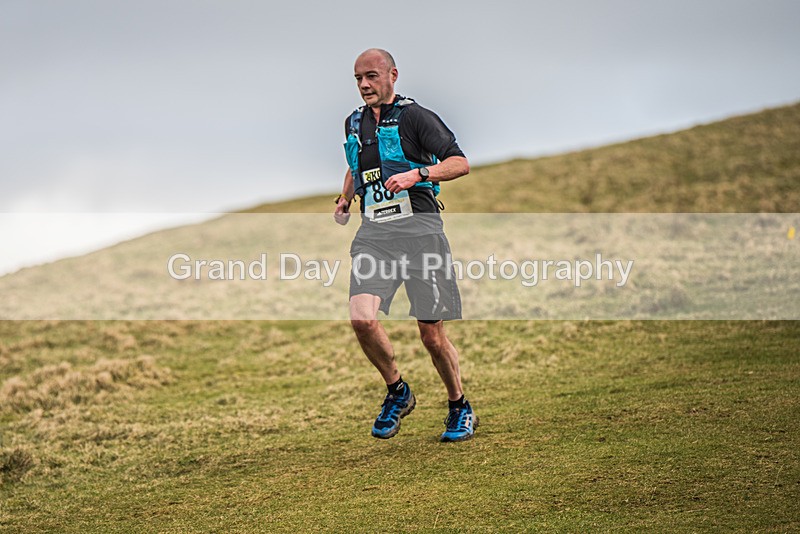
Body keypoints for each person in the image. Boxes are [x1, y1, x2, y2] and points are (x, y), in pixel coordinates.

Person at [334, 48, 477, 442]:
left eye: (372, 76)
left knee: (432, 336)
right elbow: (357, 164)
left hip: (421, 237)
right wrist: (345, 198)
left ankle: (459, 405)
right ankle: (397, 390)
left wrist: (418, 174)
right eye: (359, 78)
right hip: (375, 238)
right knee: (362, 319)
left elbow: (459, 162)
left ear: (392, 75)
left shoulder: (416, 117)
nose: (364, 85)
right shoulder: (353, 122)